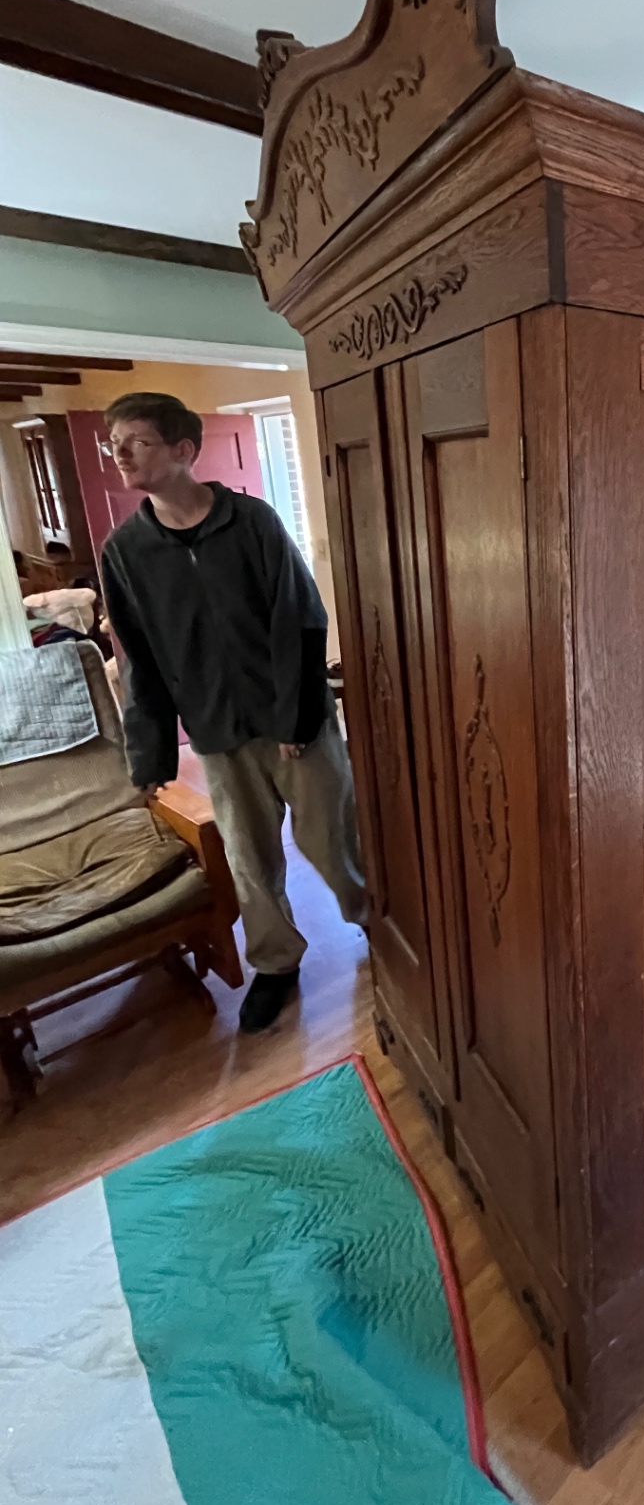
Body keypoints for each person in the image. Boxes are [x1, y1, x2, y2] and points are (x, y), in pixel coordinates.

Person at [99, 392, 367, 1033]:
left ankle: (377, 922)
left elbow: (300, 617)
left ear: (184, 450)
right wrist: (150, 757)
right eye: (114, 444)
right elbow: (138, 658)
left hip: (294, 725)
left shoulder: (252, 522)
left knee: (332, 840)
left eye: (136, 441)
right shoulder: (125, 551)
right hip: (217, 732)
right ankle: (276, 963)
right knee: (248, 857)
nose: (121, 454)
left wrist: (296, 720)